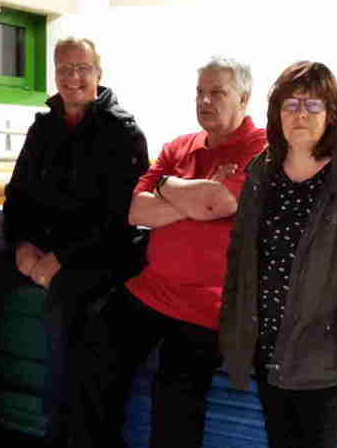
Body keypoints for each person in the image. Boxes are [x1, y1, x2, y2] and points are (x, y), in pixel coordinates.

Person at [0, 37, 149, 448]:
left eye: (82, 69)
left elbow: (119, 216)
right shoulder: (43, 128)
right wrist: (22, 245)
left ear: (99, 73)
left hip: (97, 253)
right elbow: (17, 195)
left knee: (64, 305)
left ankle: (60, 434)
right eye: (64, 69)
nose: (73, 78)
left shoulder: (122, 131)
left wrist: (60, 258)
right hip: (37, 247)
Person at [73, 56, 265, 448]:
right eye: (199, 92)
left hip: (211, 302)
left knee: (175, 393)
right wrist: (194, 195)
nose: (204, 101)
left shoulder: (261, 149)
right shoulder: (179, 146)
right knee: (94, 357)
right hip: (152, 288)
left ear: (244, 99)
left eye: (217, 92)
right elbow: (136, 211)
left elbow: (216, 204)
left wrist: (168, 187)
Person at [219, 61, 337, 448]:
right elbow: (240, 256)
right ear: (276, 113)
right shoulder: (262, 170)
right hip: (267, 344)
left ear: (332, 112)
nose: (300, 114)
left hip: (324, 353)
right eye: (290, 104)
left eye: (313, 104)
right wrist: (236, 325)